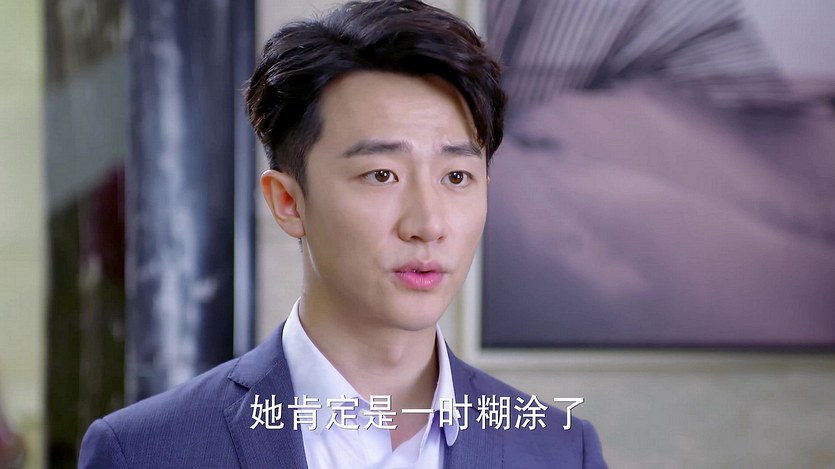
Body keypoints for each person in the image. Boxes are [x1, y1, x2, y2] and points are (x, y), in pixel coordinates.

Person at [79, 1, 607, 467]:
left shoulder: (559, 450)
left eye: (456, 177)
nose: (428, 225)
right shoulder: (143, 451)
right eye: (381, 175)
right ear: (288, 203)